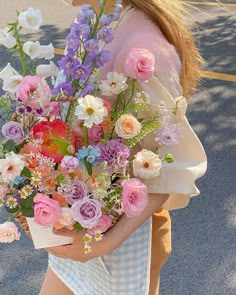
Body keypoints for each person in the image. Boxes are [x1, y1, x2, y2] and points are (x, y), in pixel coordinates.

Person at [40, 1, 207, 294]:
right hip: (85, 228)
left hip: (124, 237)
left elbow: (167, 166)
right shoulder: (95, 19)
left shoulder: (143, 47)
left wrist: (102, 244)